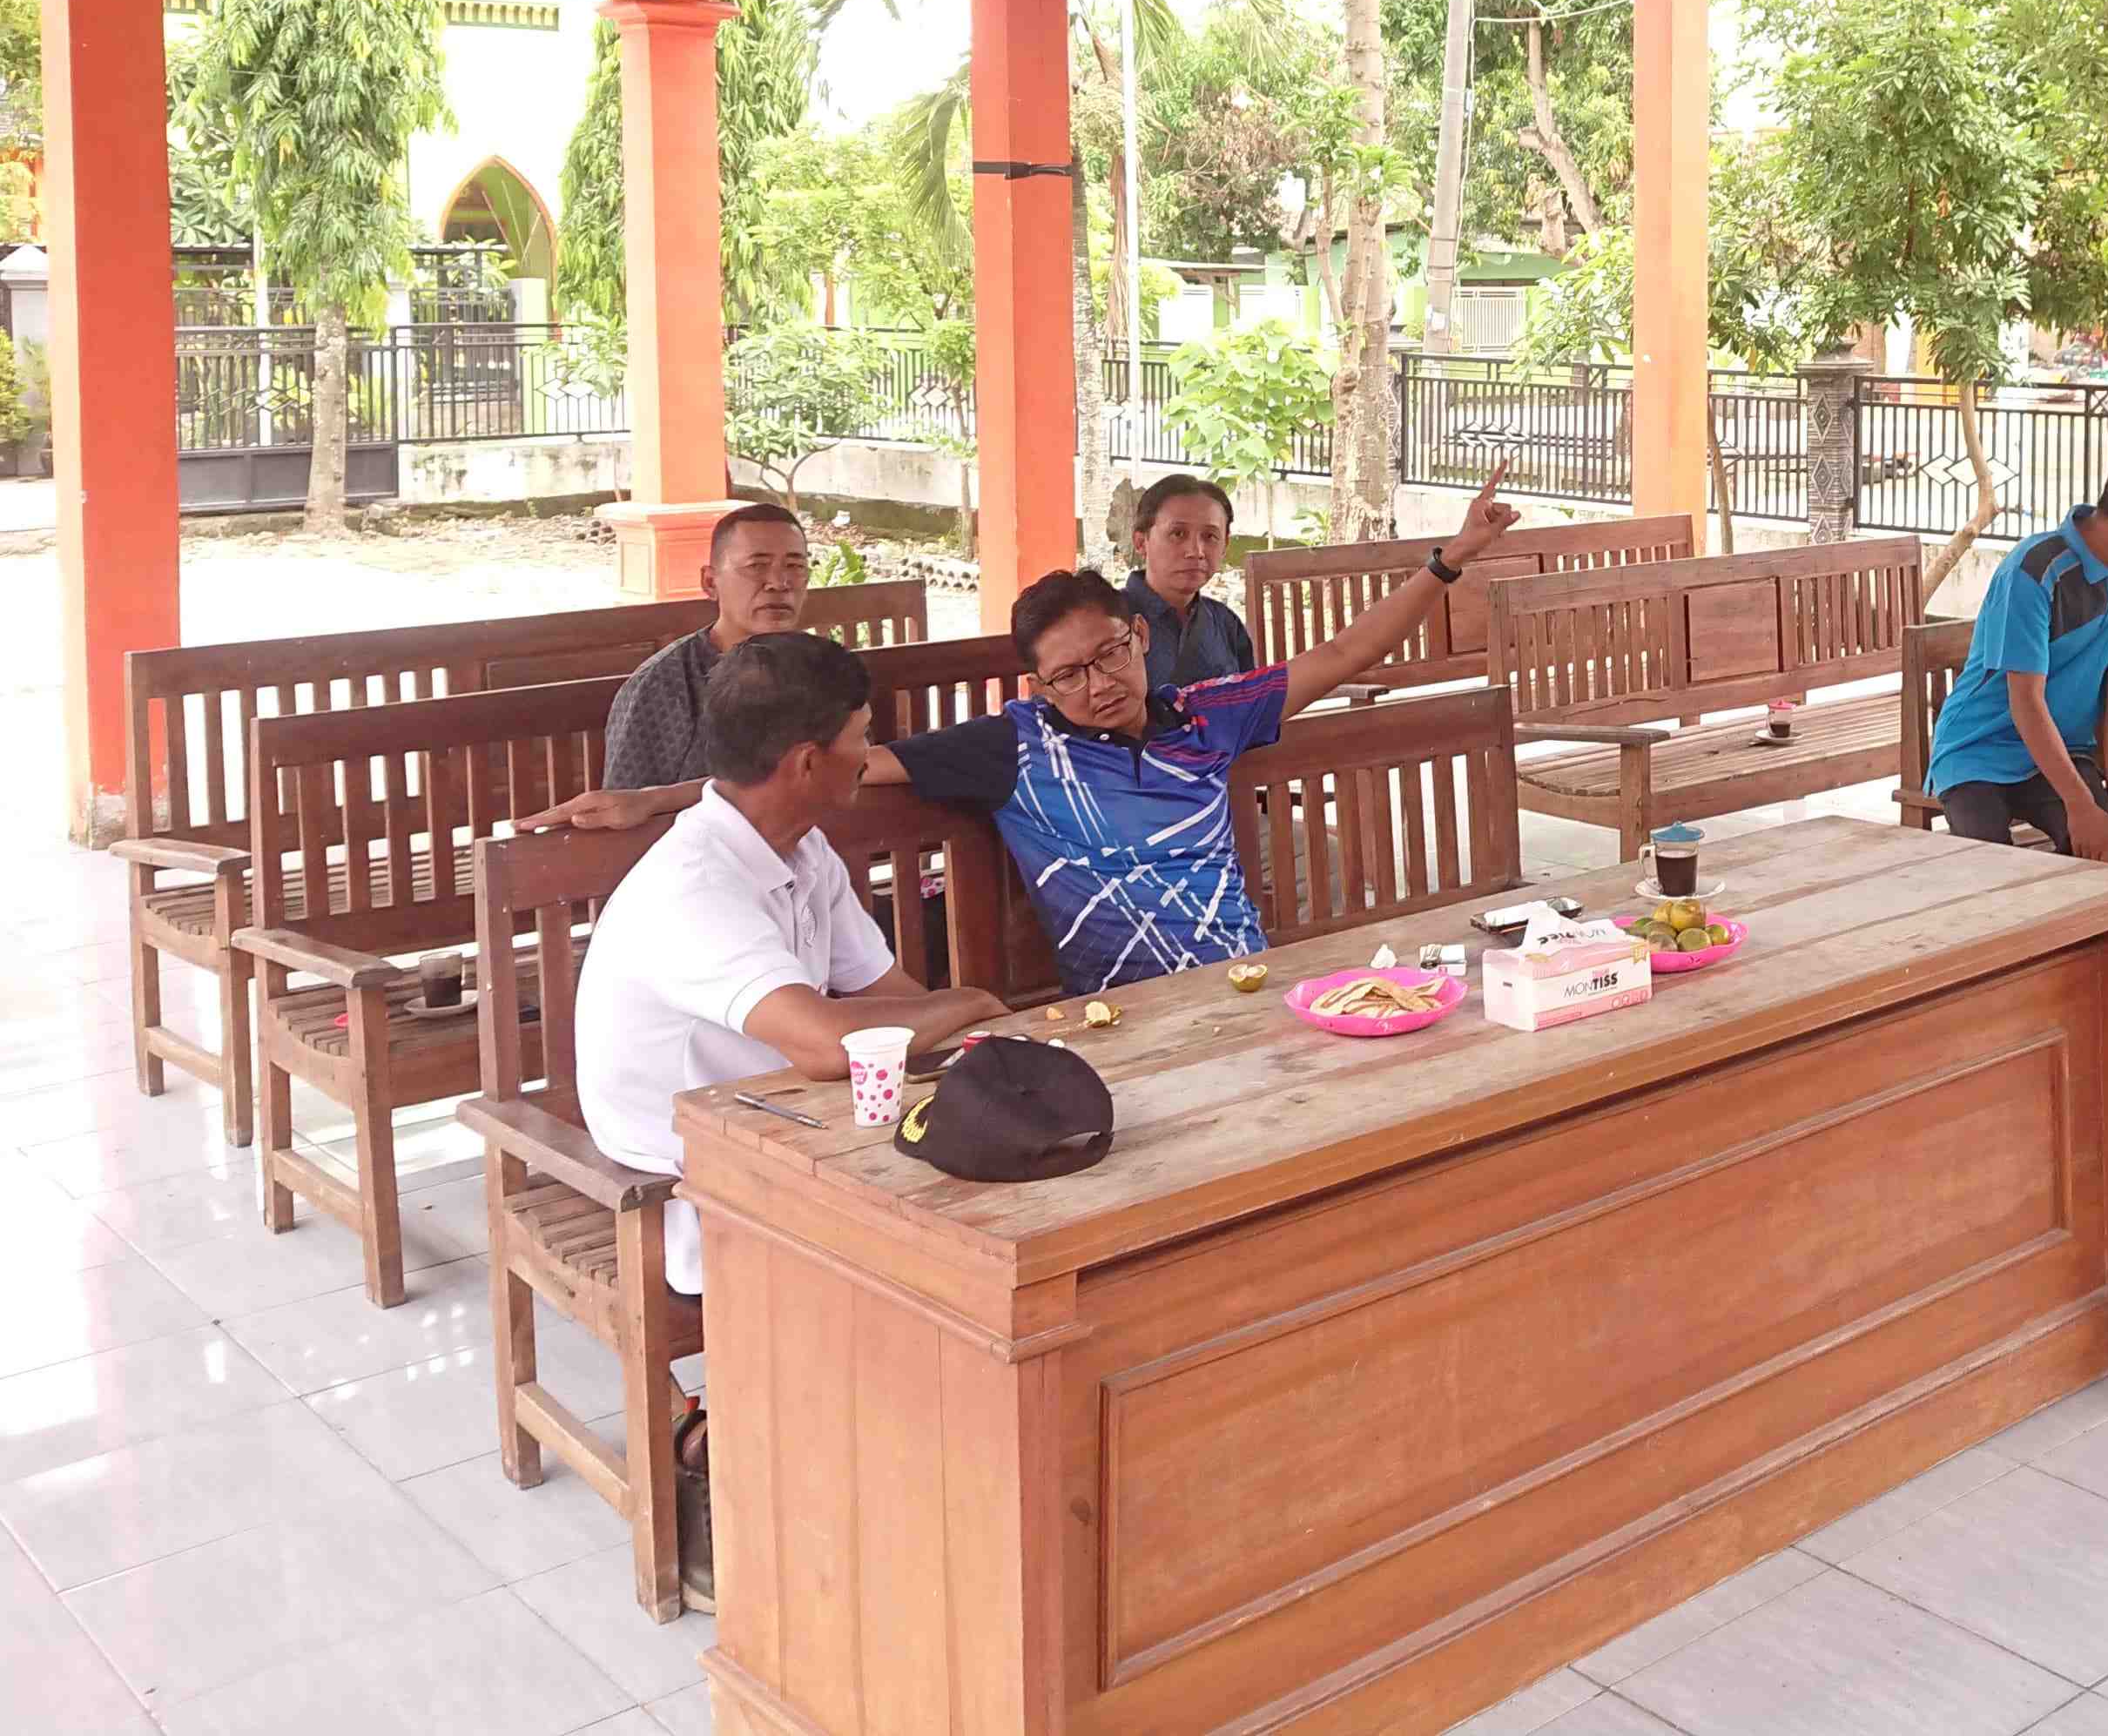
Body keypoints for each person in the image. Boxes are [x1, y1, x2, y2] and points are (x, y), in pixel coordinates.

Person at [571, 629, 1009, 1606]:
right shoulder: (695, 885)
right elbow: (824, 1042)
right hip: (674, 1171)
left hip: (780, 1118)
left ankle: (908, 1457)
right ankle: (711, 1446)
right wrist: (973, 1003)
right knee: (894, 1241)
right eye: (862, 736)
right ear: (809, 762)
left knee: (980, 1194)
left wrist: (968, 1030)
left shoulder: (798, 850)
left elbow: (885, 996)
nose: (871, 753)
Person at [858, 472, 1525, 994]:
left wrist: (1451, 559)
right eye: (1069, 675)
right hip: (1130, 1011)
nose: (1099, 684)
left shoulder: (1208, 713)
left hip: (1246, 981)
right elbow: (858, 765)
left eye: (1111, 654)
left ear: (1138, 636)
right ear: (1040, 685)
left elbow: (1345, 653)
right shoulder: (1015, 744)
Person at [1923, 441, 2108, 865]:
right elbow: (2026, 701)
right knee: (1989, 868)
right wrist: (2080, 804)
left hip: (2064, 752)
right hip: (1978, 750)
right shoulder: (2034, 570)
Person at [600, 502, 814, 793]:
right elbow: (625, 806)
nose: (779, 583)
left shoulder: (823, 670)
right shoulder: (665, 685)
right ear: (710, 582)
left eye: (795, 566)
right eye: (757, 566)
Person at [1122, 473, 1258, 687]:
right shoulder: (1109, 619)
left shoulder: (1225, 623)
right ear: (1141, 542)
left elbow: (1249, 699)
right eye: (1178, 534)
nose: (1196, 551)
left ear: (1225, 546)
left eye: (1210, 536)